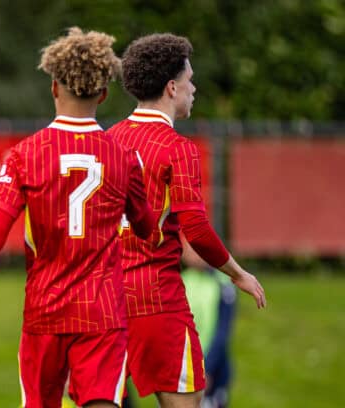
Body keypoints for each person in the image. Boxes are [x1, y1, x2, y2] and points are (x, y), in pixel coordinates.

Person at [0, 27, 155, 408]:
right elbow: (146, 227)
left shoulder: (26, 155)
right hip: (102, 311)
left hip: (45, 310)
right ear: (103, 94)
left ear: (54, 87)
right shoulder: (124, 157)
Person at [107, 33, 266, 408]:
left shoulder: (108, 139)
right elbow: (195, 227)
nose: (194, 88)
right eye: (190, 80)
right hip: (157, 299)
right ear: (172, 87)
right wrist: (237, 273)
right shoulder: (179, 149)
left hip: (107, 298)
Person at [181, 239, 236, 408]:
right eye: (187, 248)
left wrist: (209, 368)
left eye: (195, 247)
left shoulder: (223, 283)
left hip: (212, 367)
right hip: (182, 366)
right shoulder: (180, 280)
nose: (190, 252)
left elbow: (223, 330)